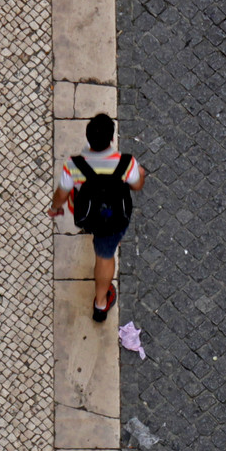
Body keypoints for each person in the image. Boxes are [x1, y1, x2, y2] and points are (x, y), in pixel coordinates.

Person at [48, 113, 144, 322]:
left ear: (88, 138)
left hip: (87, 216)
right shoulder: (127, 163)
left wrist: (56, 208)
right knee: (104, 257)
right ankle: (100, 303)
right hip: (114, 221)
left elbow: (62, 194)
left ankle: (89, 230)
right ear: (111, 139)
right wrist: (141, 173)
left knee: (93, 230)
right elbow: (137, 185)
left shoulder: (74, 165)